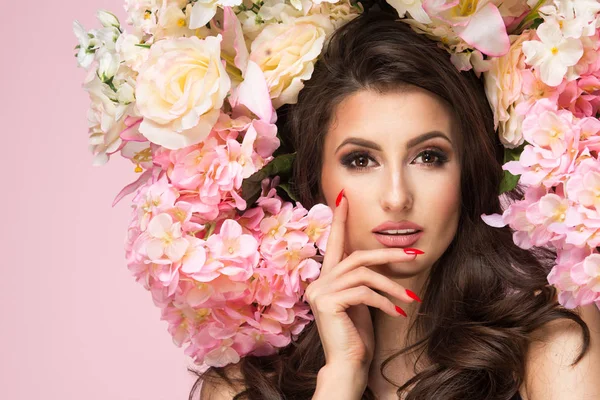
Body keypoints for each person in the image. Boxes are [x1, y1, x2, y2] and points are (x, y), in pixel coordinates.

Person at [192, 7, 600, 400]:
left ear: (468, 172)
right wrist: (342, 376)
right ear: (313, 183)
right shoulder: (240, 391)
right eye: (361, 160)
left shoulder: (552, 339)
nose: (397, 197)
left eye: (428, 157)